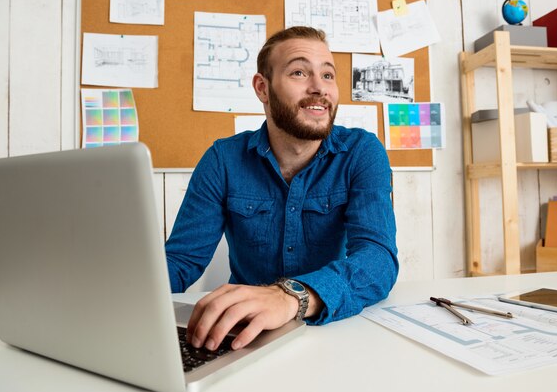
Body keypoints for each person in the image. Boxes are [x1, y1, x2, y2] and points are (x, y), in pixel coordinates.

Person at [165, 26, 398, 352]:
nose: (319, 88)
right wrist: (120, 293)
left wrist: (291, 296)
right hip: (243, 335)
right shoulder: (223, 159)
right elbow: (180, 260)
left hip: (333, 330)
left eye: (328, 75)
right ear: (263, 87)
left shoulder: (361, 152)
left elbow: (378, 259)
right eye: (300, 72)